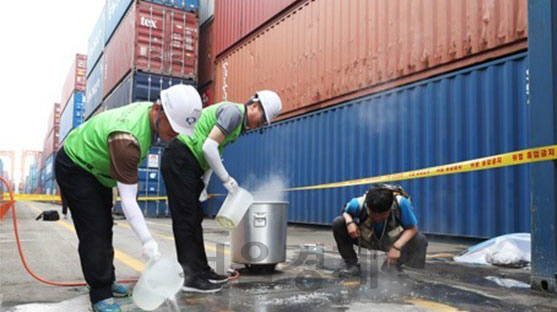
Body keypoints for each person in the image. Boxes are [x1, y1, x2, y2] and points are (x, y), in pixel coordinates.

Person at [55, 85, 202, 312]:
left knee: (105, 226)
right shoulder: (127, 140)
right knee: (94, 229)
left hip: (99, 172)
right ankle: (100, 294)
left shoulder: (150, 117)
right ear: (158, 109)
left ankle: (107, 278)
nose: (176, 134)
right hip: (76, 165)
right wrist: (148, 241)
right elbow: (128, 200)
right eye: (173, 127)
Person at [161, 90, 282, 293]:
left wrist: (204, 184)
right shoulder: (233, 113)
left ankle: (201, 270)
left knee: (194, 218)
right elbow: (209, 147)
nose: (261, 125)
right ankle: (191, 278)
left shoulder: (237, 126)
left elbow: (211, 154)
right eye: (262, 119)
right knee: (186, 220)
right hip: (180, 157)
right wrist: (226, 180)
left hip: (191, 165)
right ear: (255, 106)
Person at [332, 184, 428, 278]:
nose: (377, 218)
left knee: (420, 239)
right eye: (373, 214)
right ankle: (351, 265)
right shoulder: (358, 203)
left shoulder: (401, 204)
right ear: (367, 206)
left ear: (390, 208)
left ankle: (393, 266)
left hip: (390, 241)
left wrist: (397, 247)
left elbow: (412, 228)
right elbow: (346, 212)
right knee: (338, 223)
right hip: (366, 238)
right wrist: (350, 223)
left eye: (382, 215)